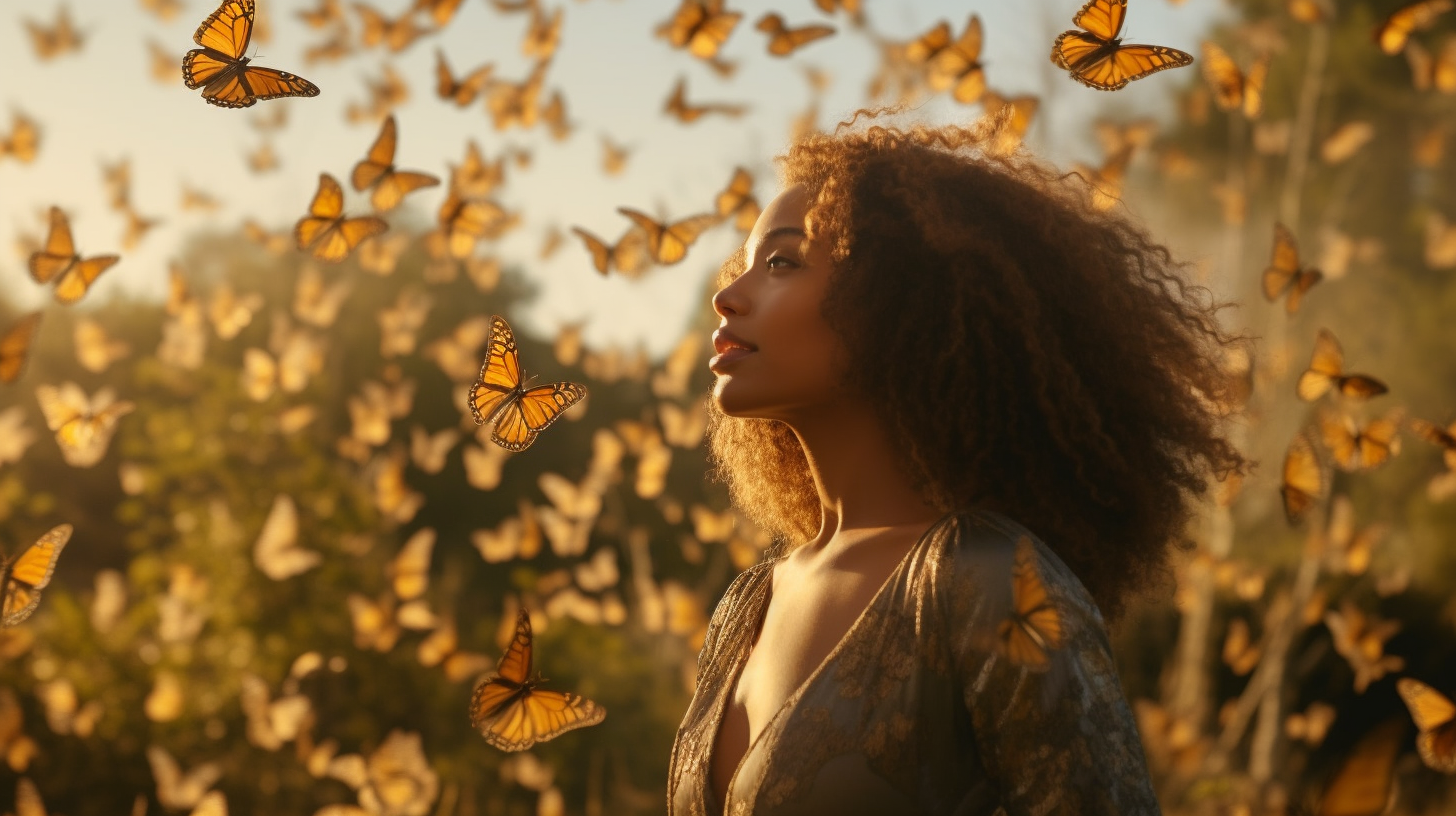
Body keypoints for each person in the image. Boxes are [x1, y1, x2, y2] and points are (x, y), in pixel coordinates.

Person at [666, 112, 1253, 816]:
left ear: (897, 301)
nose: (727, 295)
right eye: (746, 263)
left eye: (783, 262)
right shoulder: (747, 604)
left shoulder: (986, 578)